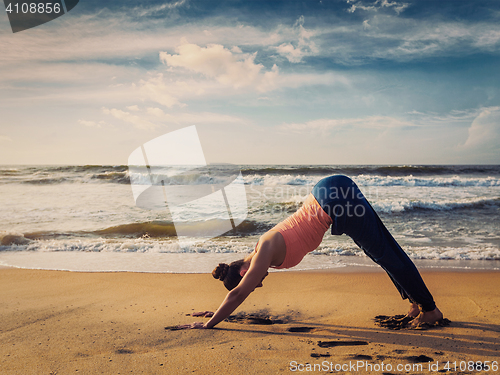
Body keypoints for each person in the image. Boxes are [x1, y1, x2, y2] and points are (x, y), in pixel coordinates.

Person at [178, 175, 443, 329]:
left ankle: (430, 310)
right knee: (381, 252)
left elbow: (238, 293)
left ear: (244, 271)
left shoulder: (263, 254)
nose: (259, 284)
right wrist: (215, 311)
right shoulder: (262, 248)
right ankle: (415, 303)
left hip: (334, 201)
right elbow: (238, 291)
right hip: (329, 193)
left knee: (385, 253)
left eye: (254, 284)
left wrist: (209, 323)